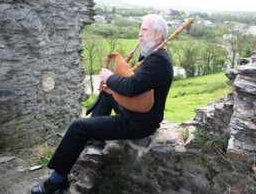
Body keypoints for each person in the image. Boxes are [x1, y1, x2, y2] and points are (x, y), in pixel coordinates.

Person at [30, 14, 174, 194]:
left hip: (139, 122)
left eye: (144, 30)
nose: (140, 34)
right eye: (140, 29)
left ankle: (56, 182)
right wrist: (113, 90)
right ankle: (96, 143)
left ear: (158, 35)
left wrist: (110, 78)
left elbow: (131, 87)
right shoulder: (153, 55)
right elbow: (139, 90)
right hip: (136, 112)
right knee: (106, 94)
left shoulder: (158, 59)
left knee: (78, 126)